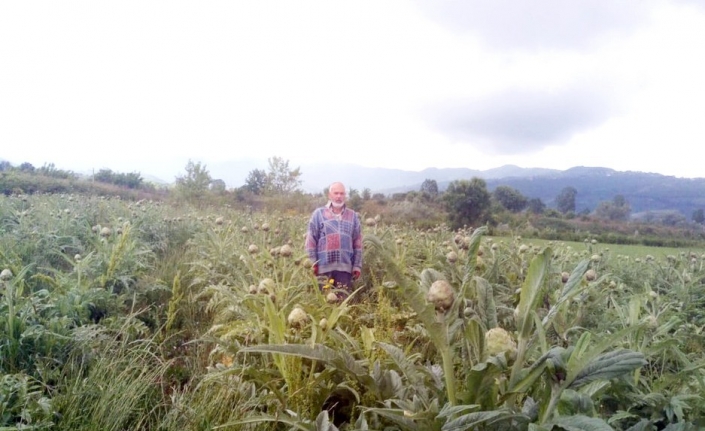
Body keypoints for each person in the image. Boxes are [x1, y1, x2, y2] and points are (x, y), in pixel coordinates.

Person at [305, 182, 363, 294]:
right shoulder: (318, 214)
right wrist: (312, 262)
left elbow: (358, 243)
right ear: (329, 195)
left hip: (345, 270)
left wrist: (357, 266)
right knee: (324, 301)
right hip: (323, 269)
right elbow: (311, 240)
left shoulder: (352, 216)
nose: (339, 196)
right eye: (336, 193)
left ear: (345, 196)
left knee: (342, 302)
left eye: (342, 193)